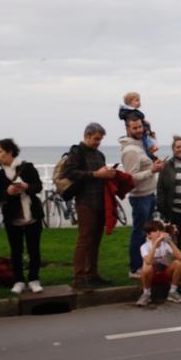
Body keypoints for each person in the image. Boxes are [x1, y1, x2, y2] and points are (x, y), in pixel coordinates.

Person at [63, 123, 116, 289]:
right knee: (85, 239)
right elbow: (69, 172)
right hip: (85, 201)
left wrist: (108, 174)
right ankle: (78, 277)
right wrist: (95, 174)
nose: (98, 142)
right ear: (87, 136)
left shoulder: (99, 155)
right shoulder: (76, 152)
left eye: (100, 139)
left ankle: (92, 273)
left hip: (100, 201)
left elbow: (100, 175)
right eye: (96, 139)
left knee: (95, 241)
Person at [0, 139, 44, 294]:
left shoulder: (27, 167)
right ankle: (19, 280)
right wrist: (7, 192)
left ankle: (34, 279)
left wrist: (27, 186)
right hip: (12, 216)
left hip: (32, 214)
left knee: (34, 249)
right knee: (16, 250)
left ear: (10, 152)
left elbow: (38, 186)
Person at [121, 112, 166, 277]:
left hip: (148, 194)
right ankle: (135, 268)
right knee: (139, 232)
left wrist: (154, 165)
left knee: (146, 232)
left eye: (140, 126)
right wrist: (152, 170)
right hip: (140, 197)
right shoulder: (131, 150)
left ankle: (144, 263)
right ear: (128, 128)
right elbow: (130, 179)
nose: (139, 130)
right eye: (135, 127)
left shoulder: (141, 145)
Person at [136, 220, 181, 307]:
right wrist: (155, 244)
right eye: (155, 231)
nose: (158, 232)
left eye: (160, 230)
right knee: (147, 267)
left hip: (165, 273)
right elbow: (148, 261)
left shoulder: (165, 245)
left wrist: (170, 242)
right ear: (148, 235)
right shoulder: (144, 246)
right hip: (151, 276)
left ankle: (173, 292)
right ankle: (146, 294)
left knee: (180, 263)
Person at [118, 91, 158, 160]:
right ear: (129, 102)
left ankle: (151, 153)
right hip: (142, 133)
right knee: (145, 145)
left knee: (149, 143)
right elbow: (136, 123)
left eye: (139, 100)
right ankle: (150, 156)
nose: (139, 102)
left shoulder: (133, 111)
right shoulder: (130, 112)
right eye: (137, 100)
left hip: (144, 132)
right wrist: (146, 129)